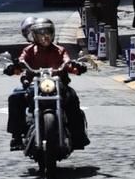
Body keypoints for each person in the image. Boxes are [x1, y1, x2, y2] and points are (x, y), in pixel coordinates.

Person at [6, 18, 89, 151]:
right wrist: (13, 67)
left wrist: (77, 66)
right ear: (34, 36)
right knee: (15, 97)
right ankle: (16, 137)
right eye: (40, 34)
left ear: (53, 34)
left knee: (72, 98)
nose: (45, 37)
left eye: (48, 33)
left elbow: (67, 62)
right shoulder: (28, 50)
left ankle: (78, 136)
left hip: (57, 85)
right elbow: (21, 63)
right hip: (33, 85)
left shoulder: (60, 50)